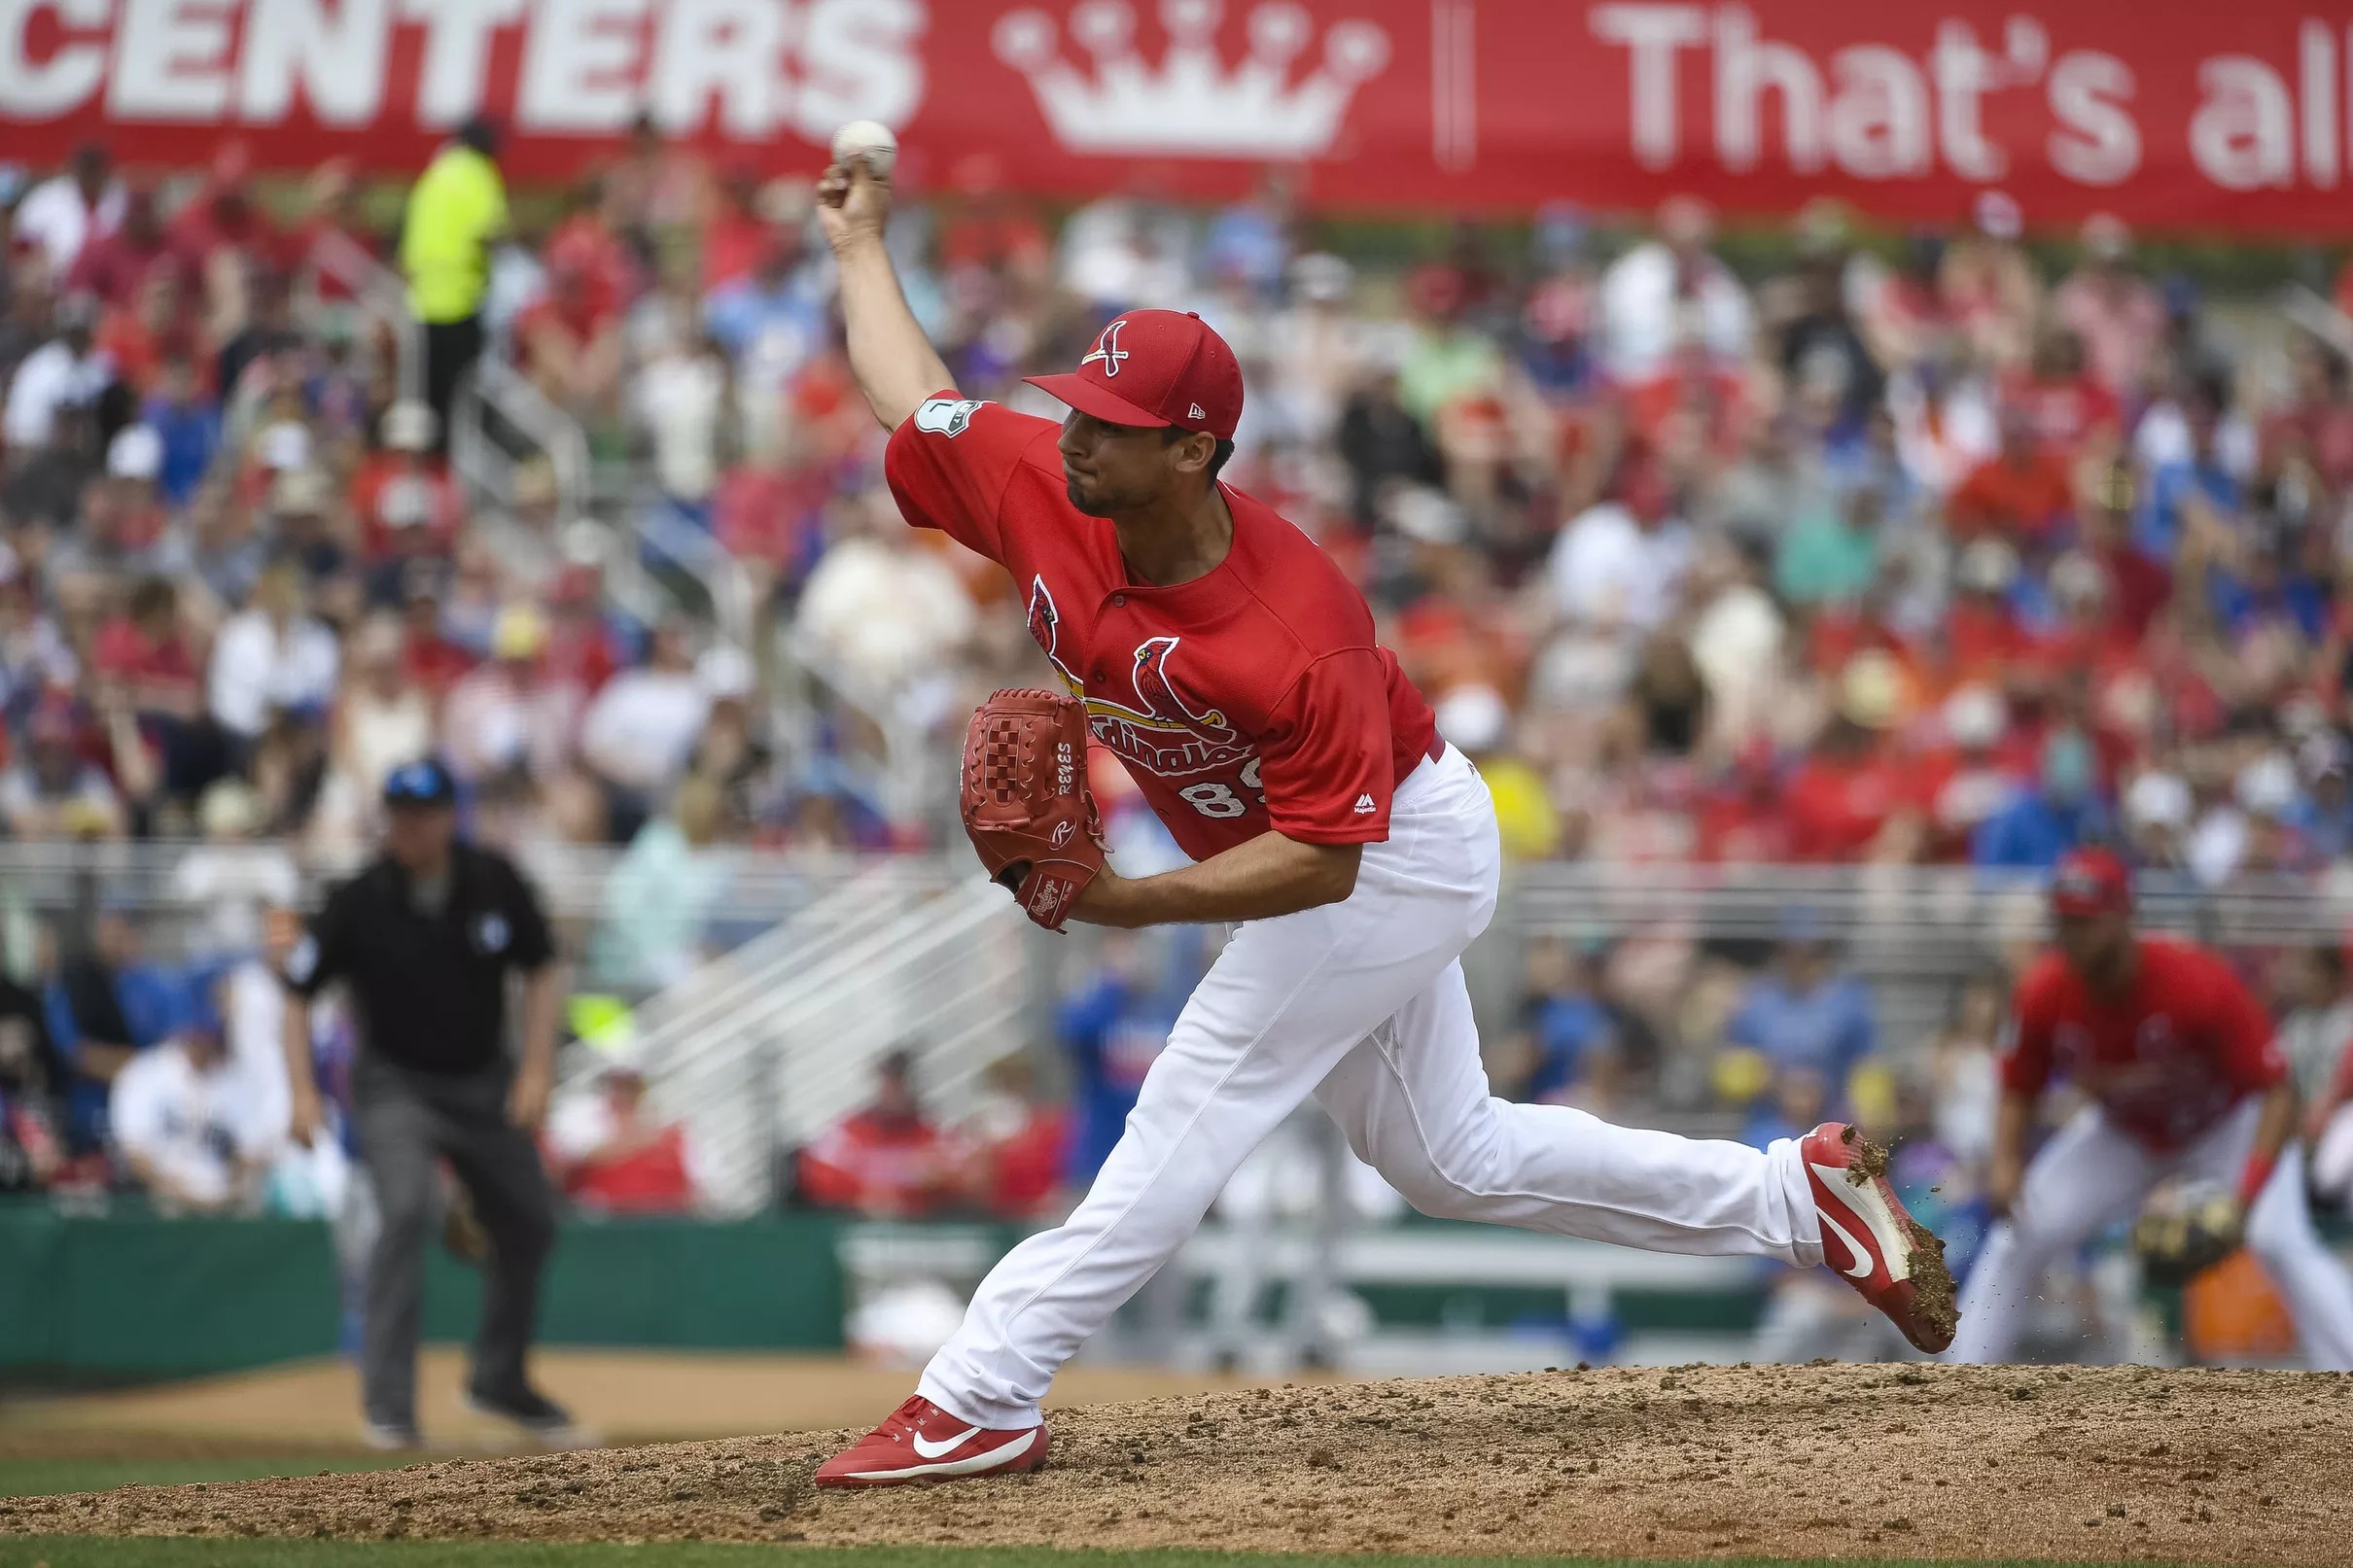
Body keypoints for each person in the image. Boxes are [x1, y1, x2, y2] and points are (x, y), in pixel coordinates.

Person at [808, 150, 1953, 1488]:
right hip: (1315, 853)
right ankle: (1796, 1199)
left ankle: (980, 1390)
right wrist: (858, 243)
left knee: (1193, 1098)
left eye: (1109, 422)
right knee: (1447, 1157)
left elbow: (1323, 863)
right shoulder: (1040, 483)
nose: (1073, 434)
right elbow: (916, 399)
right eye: (1075, 405)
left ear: (1191, 449)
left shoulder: (1299, 629)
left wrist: (1125, 903)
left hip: (1392, 849)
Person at [1949, 849, 2353, 1368]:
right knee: (2021, 1229)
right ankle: (1961, 1376)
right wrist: (2006, 1161)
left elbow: (2277, 1089)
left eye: (2087, 921)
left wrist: (2245, 1197)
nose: (2073, 934)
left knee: (2278, 1239)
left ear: (2124, 916)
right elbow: (2018, 1084)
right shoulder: (2045, 991)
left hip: (2227, 1123)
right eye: (2065, 920)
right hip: (2126, 1131)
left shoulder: (2193, 980)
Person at [280, 757, 575, 1449]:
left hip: (483, 1082)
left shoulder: (493, 880)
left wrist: (537, 1069)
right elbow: (297, 992)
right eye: (399, 813)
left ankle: (498, 1378)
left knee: (531, 1220)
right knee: (406, 1209)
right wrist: (301, 1092)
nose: (408, 826)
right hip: (396, 1086)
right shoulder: (359, 897)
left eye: (422, 813)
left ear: (449, 817)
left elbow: (543, 967)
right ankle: (389, 1407)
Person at [400, 118, 507, 451]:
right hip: (461, 300)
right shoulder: (476, 173)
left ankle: (434, 459)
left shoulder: (432, 177)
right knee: (462, 394)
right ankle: (457, 454)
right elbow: (490, 229)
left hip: (423, 301)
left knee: (429, 395)